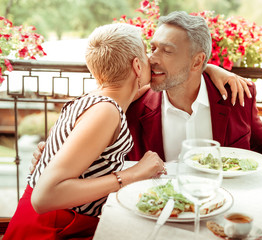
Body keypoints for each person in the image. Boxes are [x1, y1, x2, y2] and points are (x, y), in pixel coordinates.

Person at [4, 23, 167, 240]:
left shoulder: (100, 98)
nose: (151, 60)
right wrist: (133, 174)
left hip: (59, 222)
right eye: (146, 54)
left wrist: (207, 69)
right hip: (51, 228)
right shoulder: (105, 111)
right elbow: (44, 197)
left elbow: (153, 85)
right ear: (137, 66)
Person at [125, 11, 262, 167]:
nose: (152, 59)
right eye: (153, 49)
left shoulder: (236, 95)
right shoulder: (133, 105)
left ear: (197, 61)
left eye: (167, 51)